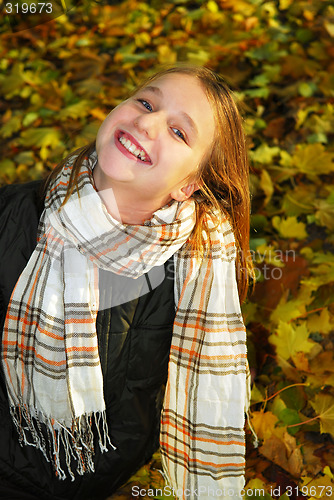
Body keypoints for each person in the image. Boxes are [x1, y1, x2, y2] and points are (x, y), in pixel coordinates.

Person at [0, 64, 253, 500]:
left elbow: (146, 404)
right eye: (146, 102)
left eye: (178, 132)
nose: (148, 122)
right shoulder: (12, 215)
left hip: (91, 480)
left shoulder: (198, 270)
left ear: (189, 184)